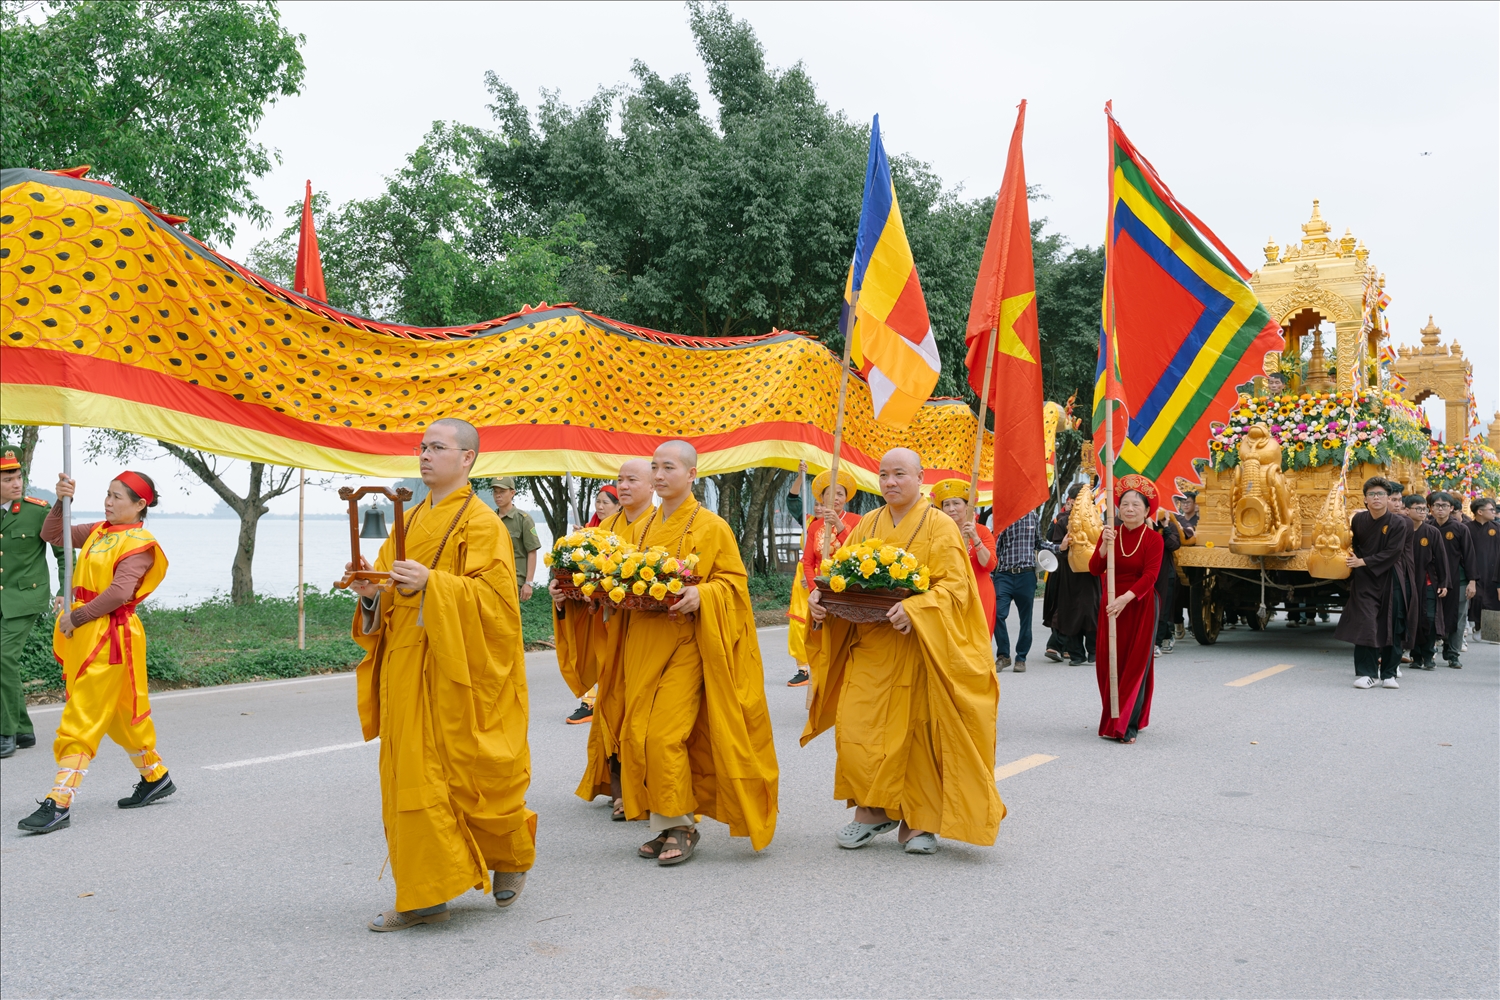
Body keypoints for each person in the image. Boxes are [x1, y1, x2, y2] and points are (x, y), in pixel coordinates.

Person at [348, 418, 535, 930]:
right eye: (422, 447)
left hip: (460, 669)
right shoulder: (408, 521)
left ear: (468, 458)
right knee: (414, 778)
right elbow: (389, 590)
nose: (425, 455)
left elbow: (499, 606)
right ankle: (424, 893)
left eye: (437, 447)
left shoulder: (482, 523)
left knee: (475, 771)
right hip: (409, 665)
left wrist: (435, 584)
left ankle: (510, 856)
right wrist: (371, 594)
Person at [804, 448, 1005, 856]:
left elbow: (955, 588)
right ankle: (873, 812)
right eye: (884, 474)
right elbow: (844, 575)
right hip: (871, 647)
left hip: (919, 648)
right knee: (857, 729)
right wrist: (822, 599)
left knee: (915, 736)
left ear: (920, 477)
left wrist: (916, 608)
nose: (890, 482)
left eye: (899, 474)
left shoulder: (941, 526)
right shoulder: (869, 524)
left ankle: (917, 824)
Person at [617, 441, 778, 866]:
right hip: (643, 642)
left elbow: (734, 585)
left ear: (692, 474)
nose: (659, 475)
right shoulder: (640, 529)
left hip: (687, 643)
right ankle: (663, 821)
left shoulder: (712, 526)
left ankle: (681, 824)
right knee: (637, 732)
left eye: (668, 467)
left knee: (664, 734)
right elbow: (621, 581)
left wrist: (702, 594)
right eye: (654, 467)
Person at [19, 470, 171, 834]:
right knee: (122, 715)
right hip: (88, 630)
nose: (108, 502)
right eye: (107, 494)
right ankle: (155, 776)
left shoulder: (139, 543)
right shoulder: (100, 530)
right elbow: (52, 534)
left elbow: (119, 593)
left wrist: (78, 616)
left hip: (111, 636)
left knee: (82, 714)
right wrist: (61, 500)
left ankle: (60, 800)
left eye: (118, 497)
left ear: (140, 505)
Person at [552, 459, 655, 819]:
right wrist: (563, 592)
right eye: (619, 480)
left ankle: (651, 786)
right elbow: (584, 587)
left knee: (644, 713)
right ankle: (621, 788)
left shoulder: (666, 527)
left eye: (632, 480)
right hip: (608, 634)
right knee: (612, 708)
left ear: (653, 484)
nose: (623, 486)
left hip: (650, 635)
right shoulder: (601, 532)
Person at [1090, 475, 1165, 744]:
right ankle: (1112, 715)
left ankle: (1126, 725)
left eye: (1136, 505)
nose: (1129, 508)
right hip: (1111, 606)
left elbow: (1150, 576)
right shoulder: (1110, 534)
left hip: (1139, 604)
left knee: (1134, 664)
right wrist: (1102, 548)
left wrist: (1126, 599)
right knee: (1108, 663)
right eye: (1124, 504)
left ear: (1146, 511)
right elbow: (1094, 569)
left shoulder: (1154, 539)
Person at [0, 451, 63, 759]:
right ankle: (24, 730)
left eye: (19, 478)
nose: (16, 484)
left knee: (2, 657)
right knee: (5, 661)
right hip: (2, 599)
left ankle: (6, 731)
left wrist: (66, 589)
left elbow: (63, 551)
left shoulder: (37, 511)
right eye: (8, 479)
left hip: (26, 598)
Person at [1335, 477, 1413, 689]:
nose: (1376, 498)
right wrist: (1352, 558)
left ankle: (1389, 673)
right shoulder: (1358, 520)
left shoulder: (1399, 523)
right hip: (1365, 579)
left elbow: (1393, 552)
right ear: (1365, 499)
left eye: (1380, 494)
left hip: (1390, 577)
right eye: (1372, 494)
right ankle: (1367, 673)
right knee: (1365, 623)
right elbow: (1355, 545)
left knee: (1392, 624)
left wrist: (1364, 561)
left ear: (1388, 499)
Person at [786, 466, 861, 688]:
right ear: (822, 497)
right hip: (820, 592)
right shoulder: (815, 525)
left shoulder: (857, 521)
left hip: (849, 591)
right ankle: (818, 683)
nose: (835, 498)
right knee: (819, 641)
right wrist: (814, 589)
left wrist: (840, 526)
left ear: (846, 498)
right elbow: (808, 561)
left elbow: (859, 553)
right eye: (830, 493)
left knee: (847, 643)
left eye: (840, 493)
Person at [565, 484, 625, 724]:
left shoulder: (626, 532)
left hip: (614, 604)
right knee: (590, 650)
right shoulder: (588, 531)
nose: (600, 507)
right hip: (589, 605)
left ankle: (610, 697)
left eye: (605, 503)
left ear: (618, 506)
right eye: (597, 502)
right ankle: (588, 701)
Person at [930, 479, 997, 632]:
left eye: (956, 503)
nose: (951, 509)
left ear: (968, 506)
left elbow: (990, 565)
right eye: (946, 505)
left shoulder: (982, 531)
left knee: (979, 644)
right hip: (950, 596)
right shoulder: (939, 533)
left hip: (979, 594)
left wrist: (975, 538)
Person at [1043, 483, 1099, 664]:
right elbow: (1057, 547)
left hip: (1091, 573)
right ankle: (1075, 654)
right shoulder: (1063, 522)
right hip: (1069, 574)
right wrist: (1065, 546)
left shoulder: (1095, 519)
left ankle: (1094, 651)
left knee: (1092, 611)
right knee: (1070, 612)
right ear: (1072, 501)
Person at [1401, 494, 1450, 670]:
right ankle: (1415, 655)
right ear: (1406, 510)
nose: (1423, 512)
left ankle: (1429, 654)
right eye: (1418, 509)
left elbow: (1441, 559)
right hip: (1405, 580)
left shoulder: (1431, 532)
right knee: (1411, 618)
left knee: (1429, 618)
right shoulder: (1401, 530)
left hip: (1428, 582)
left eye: (1424, 509)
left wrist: (1444, 582)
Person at [991, 504, 1042, 672]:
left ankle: (1021, 657)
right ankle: (1003, 655)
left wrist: (1060, 547)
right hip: (1004, 574)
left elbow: (1039, 544)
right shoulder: (1002, 518)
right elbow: (995, 551)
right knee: (998, 613)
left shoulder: (1033, 517)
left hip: (1026, 575)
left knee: (1025, 619)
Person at [1428, 492, 1475, 668]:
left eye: (1445, 505)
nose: (1441, 509)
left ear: (1452, 508)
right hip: (1432, 579)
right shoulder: (1427, 527)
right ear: (1430, 508)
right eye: (1437, 505)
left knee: (1458, 617)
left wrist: (1472, 581)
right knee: (1431, 615)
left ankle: (1453, 653)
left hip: (1459, 580)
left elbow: (1470, 556)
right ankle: (1428, 652)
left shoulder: (1461, 529)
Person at [492, 477, 541, 603]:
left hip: (514, 579)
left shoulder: (523, 519)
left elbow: (532, 551)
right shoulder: (489, 518)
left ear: (512, 493)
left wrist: (528, 583)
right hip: (492, 578)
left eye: (502, 492)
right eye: (495, 492)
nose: (498, 495)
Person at [1467, 498, 1500, 633]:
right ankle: (1477, 627)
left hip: (1494, 571)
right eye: (1491, 509)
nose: (1494, 512)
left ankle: (1491, 631)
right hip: (1474, 570)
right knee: (1477, 599)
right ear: (1479, 512)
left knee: (1493, 600)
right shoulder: (1467, 528)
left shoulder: (1497, 528)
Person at [1153, 510, 1182, 654]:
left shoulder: (1170, 525)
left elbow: (1174, 545)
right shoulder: (1145, 525)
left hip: (1165, 572)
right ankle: (1166, 636)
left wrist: (1165, 527)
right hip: (1149, 572)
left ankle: (1156, 643)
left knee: (1163, 609)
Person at [1171, 492, 1199, 639]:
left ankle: (1194, 624)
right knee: (1174, 594)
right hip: (1173, 562)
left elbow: (1190, 532)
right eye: (1183, 502)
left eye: (1188, 502)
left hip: (1190, 561)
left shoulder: (1178, 519)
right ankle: (1176, 622)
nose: (1185, 505)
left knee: (1191, 593)